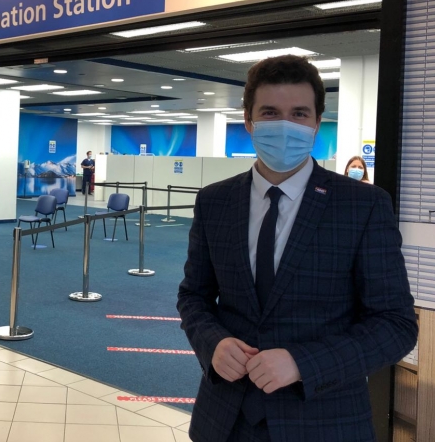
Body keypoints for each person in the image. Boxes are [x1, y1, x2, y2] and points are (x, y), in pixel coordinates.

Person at [177, 55, 417, 442]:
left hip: (323, 420)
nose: (285, 125)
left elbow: (396, 325)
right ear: (249, 121)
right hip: (224, 420)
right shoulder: (214, 202)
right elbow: (194, 296)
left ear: (316, 124)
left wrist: (302, 363)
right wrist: (213, 344)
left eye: (299, 114)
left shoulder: (363, 206)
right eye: (270, 112)